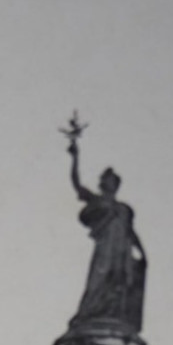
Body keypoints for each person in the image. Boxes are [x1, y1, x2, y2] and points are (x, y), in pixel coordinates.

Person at [68, 138, 147, 332]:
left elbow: (131, 231)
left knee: (120, 282)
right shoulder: (97, 200)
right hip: (105, 248)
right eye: (105, 179)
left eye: (110, 180)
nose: (106, 182)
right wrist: (75, 156)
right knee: (99, 279)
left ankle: (113, 316)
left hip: (122, 250)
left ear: (116, 185)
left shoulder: (123, 209)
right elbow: (77, 184)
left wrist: (143, 252)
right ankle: (91, 313)